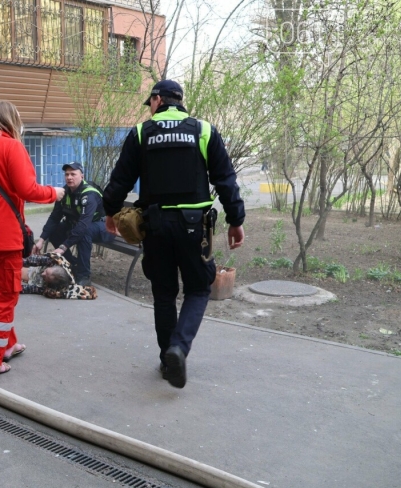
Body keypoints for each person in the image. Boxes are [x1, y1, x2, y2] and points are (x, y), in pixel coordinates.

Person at [103, 79, 245, 388]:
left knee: (164, 294)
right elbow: (226, 180)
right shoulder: (203, 130)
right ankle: (179, 348)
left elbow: (119, 181)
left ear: (157, 100)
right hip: (196, 228)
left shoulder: (141, 133)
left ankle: (167, 359)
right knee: (198, 289)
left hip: (155, 227)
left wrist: (110, 213)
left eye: (150, 103)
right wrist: (236, 219)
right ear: (179, 101)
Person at [0, 100, 65, 378]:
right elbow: (28, 189)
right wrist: (54, 193)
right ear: (10, 121)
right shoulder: (11, 146)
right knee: (5, 297)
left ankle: (8, 345)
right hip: (2, 238)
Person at [33, 162, 114, 285]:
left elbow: (83, 225)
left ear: (82, 176)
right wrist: (41, 240)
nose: (69, 177)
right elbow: (54, 217)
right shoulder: (64, 192)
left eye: (73, 174)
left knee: (84, 232)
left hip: (105, 227)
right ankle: (72, 265)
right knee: (56, 229)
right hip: (82, 226)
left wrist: (63, 247)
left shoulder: (89, 194)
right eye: (67, 174)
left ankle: (84, 276)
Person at [21, 253, 98, 299]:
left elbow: (30, 289)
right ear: (52, 266)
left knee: (18, 274)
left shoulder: (51, 289)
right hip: (35, 268)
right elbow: (32, 260)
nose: (43, 274)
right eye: (46, 272)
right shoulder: (53, 261)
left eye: (46, 277)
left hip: (32, 278)